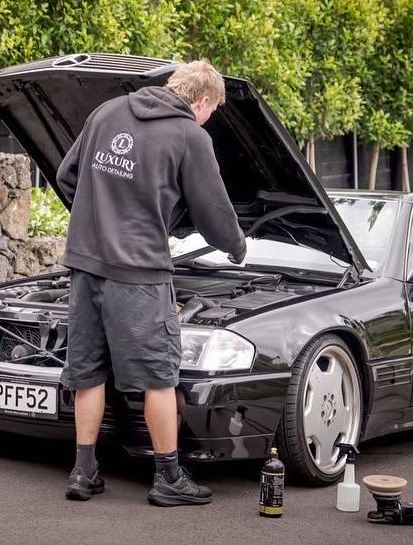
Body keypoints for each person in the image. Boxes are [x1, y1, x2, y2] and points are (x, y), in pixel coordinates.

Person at [54, 59, 248, 507]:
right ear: (203, 100)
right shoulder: (190, 136)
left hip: (85, 266)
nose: (208, 118)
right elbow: (213, 212)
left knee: (88, 372)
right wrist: (237, 246)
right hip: (139, 274)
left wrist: (100, 221)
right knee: (159, 377)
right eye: (212, 110)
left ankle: (84, 472)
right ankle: (168, 478)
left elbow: (67, 176)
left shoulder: (107, 112)